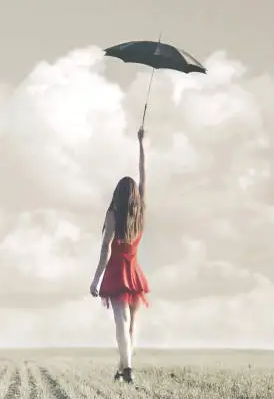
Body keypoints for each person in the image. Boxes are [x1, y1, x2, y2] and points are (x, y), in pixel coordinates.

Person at [89, 127, 150, 384]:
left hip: (116, 273)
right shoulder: (140, 211)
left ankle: (127, 371)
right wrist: (141, 144)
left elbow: (105, 248)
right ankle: (124, 368)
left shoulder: (113, 214)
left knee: (121, 324)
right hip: (134, 273)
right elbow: (144, 175)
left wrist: (95, 280)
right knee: (131, 326)